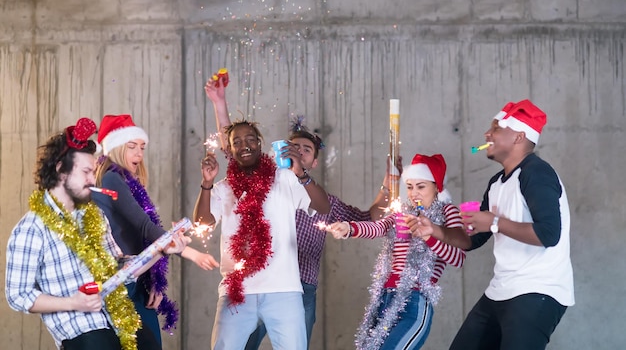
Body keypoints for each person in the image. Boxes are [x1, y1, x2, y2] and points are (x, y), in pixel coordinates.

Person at [5, 118, 189, 350]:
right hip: (81, 329)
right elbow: (18, 295)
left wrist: (161, 249)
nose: (93, 180)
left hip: (120, 316)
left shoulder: (95, 216)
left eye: (93, 171)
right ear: (61, 169)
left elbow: (118, 269)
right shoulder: (32, 229)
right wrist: (73, 302)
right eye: (85, 172)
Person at [422, 100, 574, 350]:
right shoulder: (496, 183)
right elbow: (472, 240)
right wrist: (434, 230)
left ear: (519, 137)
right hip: (501, 290)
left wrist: (494, 222)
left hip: (538, 290)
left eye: (496, 128)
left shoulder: (537, 173)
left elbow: (548, 234)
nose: (487, 134)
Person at [194, 77, 331, 350]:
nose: (244, 145)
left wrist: (300, 172)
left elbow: (322, 207)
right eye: (236, 142)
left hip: (285, 291)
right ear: (229, 150)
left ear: (260, 144)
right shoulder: (223, 188)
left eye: (250, 139)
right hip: (237, 292)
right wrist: (207, 183)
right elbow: (202, 222)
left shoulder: (284, 178)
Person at [244, 116, 397, 350]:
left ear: (314, 162)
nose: (299, 152)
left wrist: (389, 182)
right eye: (294, 147)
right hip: (263, 283)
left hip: (302, 287)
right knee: (244, 343)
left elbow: (370, 218)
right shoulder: (267, 188)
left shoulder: (326, 203)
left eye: (306, 150)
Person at [92, 114, 220, 349]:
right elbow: (145, 227)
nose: (139, 154)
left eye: (142, 147)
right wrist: (191, 254)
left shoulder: (128, 181)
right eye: (132, 147)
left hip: (136, 279)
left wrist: (154, 280)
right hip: (118, 282)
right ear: (116, 148)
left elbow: (141, 238)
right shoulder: (111, 178)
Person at [324, 153, 466, 350]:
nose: (414, 193)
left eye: (421, 186)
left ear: (436, 186)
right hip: (385, 299)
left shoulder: (447, 212)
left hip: (415, 301)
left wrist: (429, 235)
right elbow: (378, 227)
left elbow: (458, 258)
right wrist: (349, 228)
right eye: (409, 186)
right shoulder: (402, 212)